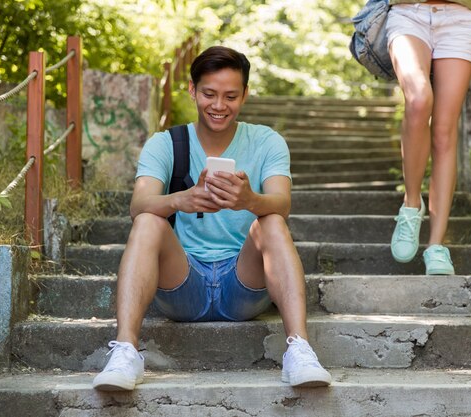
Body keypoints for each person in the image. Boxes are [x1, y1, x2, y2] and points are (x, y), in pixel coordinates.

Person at [92, 46, 332, 391]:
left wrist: (250, 200)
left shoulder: (267, 141)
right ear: (192, 90)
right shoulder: (165, 143)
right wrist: (182, 199)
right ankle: (126, 352)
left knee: (272, 220)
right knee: (147, 219)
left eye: (231, 96)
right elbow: (138, 204)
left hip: (243, 283)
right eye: (209, 94)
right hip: (182, 283)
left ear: (245, 95)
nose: (219, 106)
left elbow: (282, 203)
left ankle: (299, 349)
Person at [386, 0, 471, 274]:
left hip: (460, 19)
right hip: (407, 13)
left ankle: (436, 245)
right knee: (418, 100)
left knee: (444, 130)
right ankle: (412, 204)